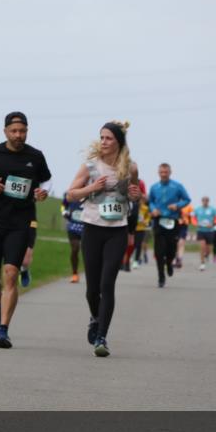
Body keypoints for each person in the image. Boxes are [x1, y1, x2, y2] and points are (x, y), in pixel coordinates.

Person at [0, 111, 51, 349]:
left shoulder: (35, 156)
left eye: (22, 131)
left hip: (20, 222)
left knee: (11, 273)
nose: (18, 135)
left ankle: (3, 329)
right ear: (5, 132)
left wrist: (43, 192)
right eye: (14, 131)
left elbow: (46, 180)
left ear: (27, 132)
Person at [66, 120, 141, 358]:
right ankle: (95, 317)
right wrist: (91, 188)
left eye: (108, 138)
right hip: (92, 228)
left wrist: (136, 194)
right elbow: (71, 194)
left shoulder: (130, 167)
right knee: (92, 289)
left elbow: (134, 195)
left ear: (119, 142)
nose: (104, 142)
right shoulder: (90, 166)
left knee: (107, 284)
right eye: (102, 137)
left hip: (117, 230)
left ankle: (102, 337)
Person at [148, 163, 191, 288]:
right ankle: (161, 276)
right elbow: (150, 201)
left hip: (173, 220)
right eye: (161, 172)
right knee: (159, 251)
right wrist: (153, 209)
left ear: (170, 172)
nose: (163, 174)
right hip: (159, 220)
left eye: (165, 172)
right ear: (158, 173)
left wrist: (177, 205)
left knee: (171, 249)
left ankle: (169, 262)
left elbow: (187, 199)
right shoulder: (154, 187)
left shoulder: (177, 186)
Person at [62, 195, 84, 283]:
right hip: (73, 226)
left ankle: (93, 274)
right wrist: (64, 212)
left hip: (87, 227)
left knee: (88, 252)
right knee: (75, 248)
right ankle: (74, 273)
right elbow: (64, 204)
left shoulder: (91, 192)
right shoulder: (72, 193)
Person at [192, 196, 216, 270]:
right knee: (202, 247)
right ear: (202, 201)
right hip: (201, 230)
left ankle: (207, 255)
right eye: (204, 200)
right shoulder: (197, 209)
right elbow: (193, 218)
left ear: (208, 201)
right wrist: (196, 223)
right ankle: (202, 263)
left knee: (209, 249)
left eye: (206, 201)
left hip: (210, 231)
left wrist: (212, 224)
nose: (205, 202)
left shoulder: (212, 209)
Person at [132, 193, 151, 270]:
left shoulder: (145, 208)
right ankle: (130, 257)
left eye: (141, 200)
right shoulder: (133, 207)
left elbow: (148, 217)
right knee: (132, 244)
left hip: (141, 228)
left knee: (139, 245)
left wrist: (145, 222)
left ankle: (136, 260)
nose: (140, 202)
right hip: (133, 228)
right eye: (138, 200)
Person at [20, 220, 38, 287]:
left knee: (25, 262)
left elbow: (33, 223)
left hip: (28, 225)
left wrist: (30, 245)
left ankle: (24, 269)